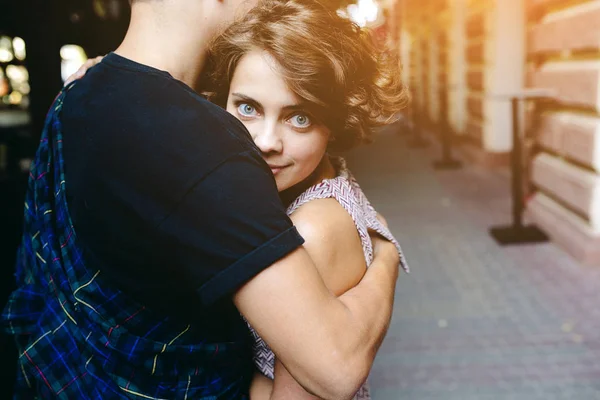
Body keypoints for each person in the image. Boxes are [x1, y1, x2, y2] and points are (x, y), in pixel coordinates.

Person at [2, 0, 402, 399]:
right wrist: (385, 255)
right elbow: (335, 365)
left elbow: (331, 370)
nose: (265, 141)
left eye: (300, 116)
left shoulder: (78, 98)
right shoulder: (201, 143)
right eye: (247, 107)